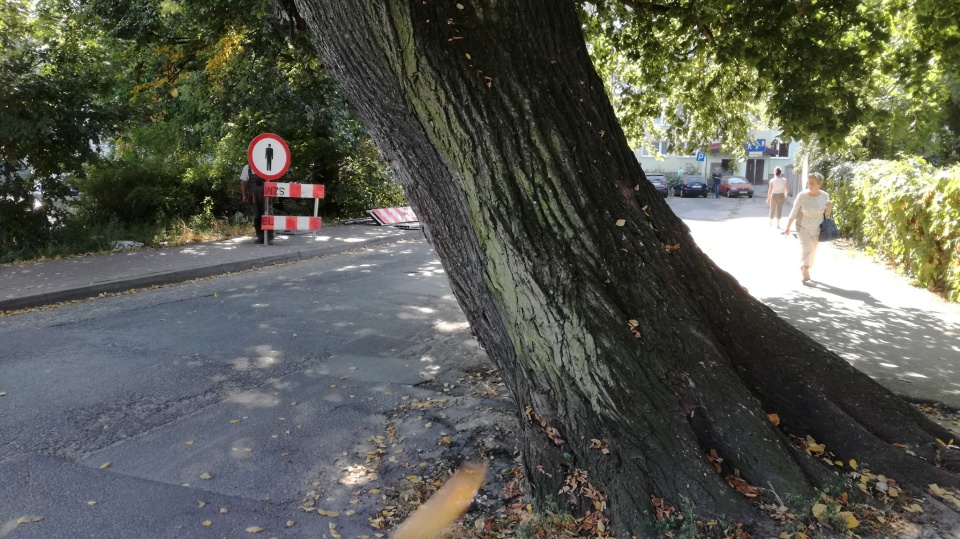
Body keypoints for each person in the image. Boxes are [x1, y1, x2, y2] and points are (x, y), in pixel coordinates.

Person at [782, 173, 832, 283]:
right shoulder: (802, 195)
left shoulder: (825, 196)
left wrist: (828, 209)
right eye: (808, 183)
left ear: (819, 184)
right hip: (802, 226)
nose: (810, 185)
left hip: (818, 228)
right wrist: (788, 227)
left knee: (813, 251)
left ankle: (807, 267)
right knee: (807, 249)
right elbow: (794, 211)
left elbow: (826, 214)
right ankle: (804, 270)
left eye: (813, 183)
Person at [240, 163, 273, 244]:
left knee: (268, 214)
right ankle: (260, 236)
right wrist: (244, 195)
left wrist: (272, 193)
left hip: (266, 194)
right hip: (254, 196)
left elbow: (271, 180)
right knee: (256, 215)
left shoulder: (264, 165)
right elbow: (243, 182)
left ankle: (269, 237)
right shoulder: (247, 168)